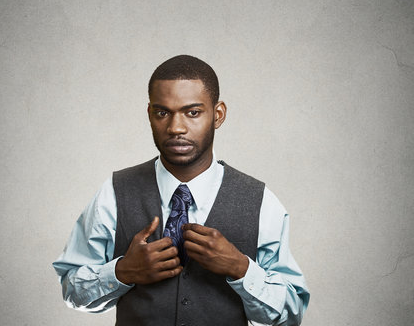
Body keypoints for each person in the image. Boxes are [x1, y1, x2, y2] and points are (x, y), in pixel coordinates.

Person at [53, 55, 310, 325]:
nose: (176, 128)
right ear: (150, 114)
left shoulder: (260, 202)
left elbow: (291, 313)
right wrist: (122, 272)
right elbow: (71, 289)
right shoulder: (114, 192)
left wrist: (240, 268)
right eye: (163, 113)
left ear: (218, 114)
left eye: (192, 112)